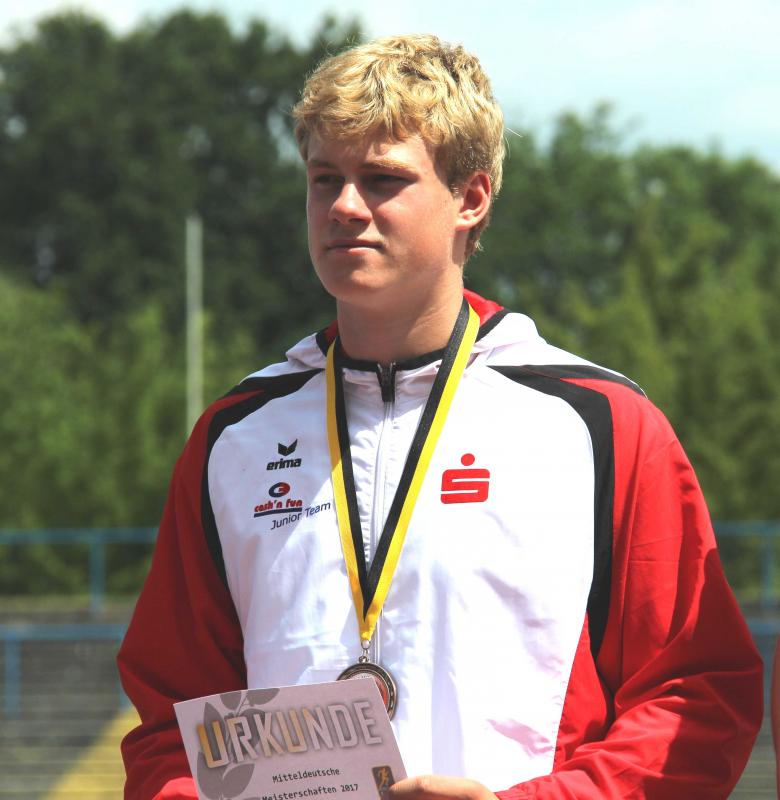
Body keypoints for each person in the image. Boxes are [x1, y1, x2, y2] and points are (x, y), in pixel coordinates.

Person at [118, 34, 763, 800]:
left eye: (382, 179)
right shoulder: (236, 437)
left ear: (471, 198)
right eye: (324, 180)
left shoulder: (599, 424)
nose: (344, 207)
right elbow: (172, 721)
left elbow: (695, 698)